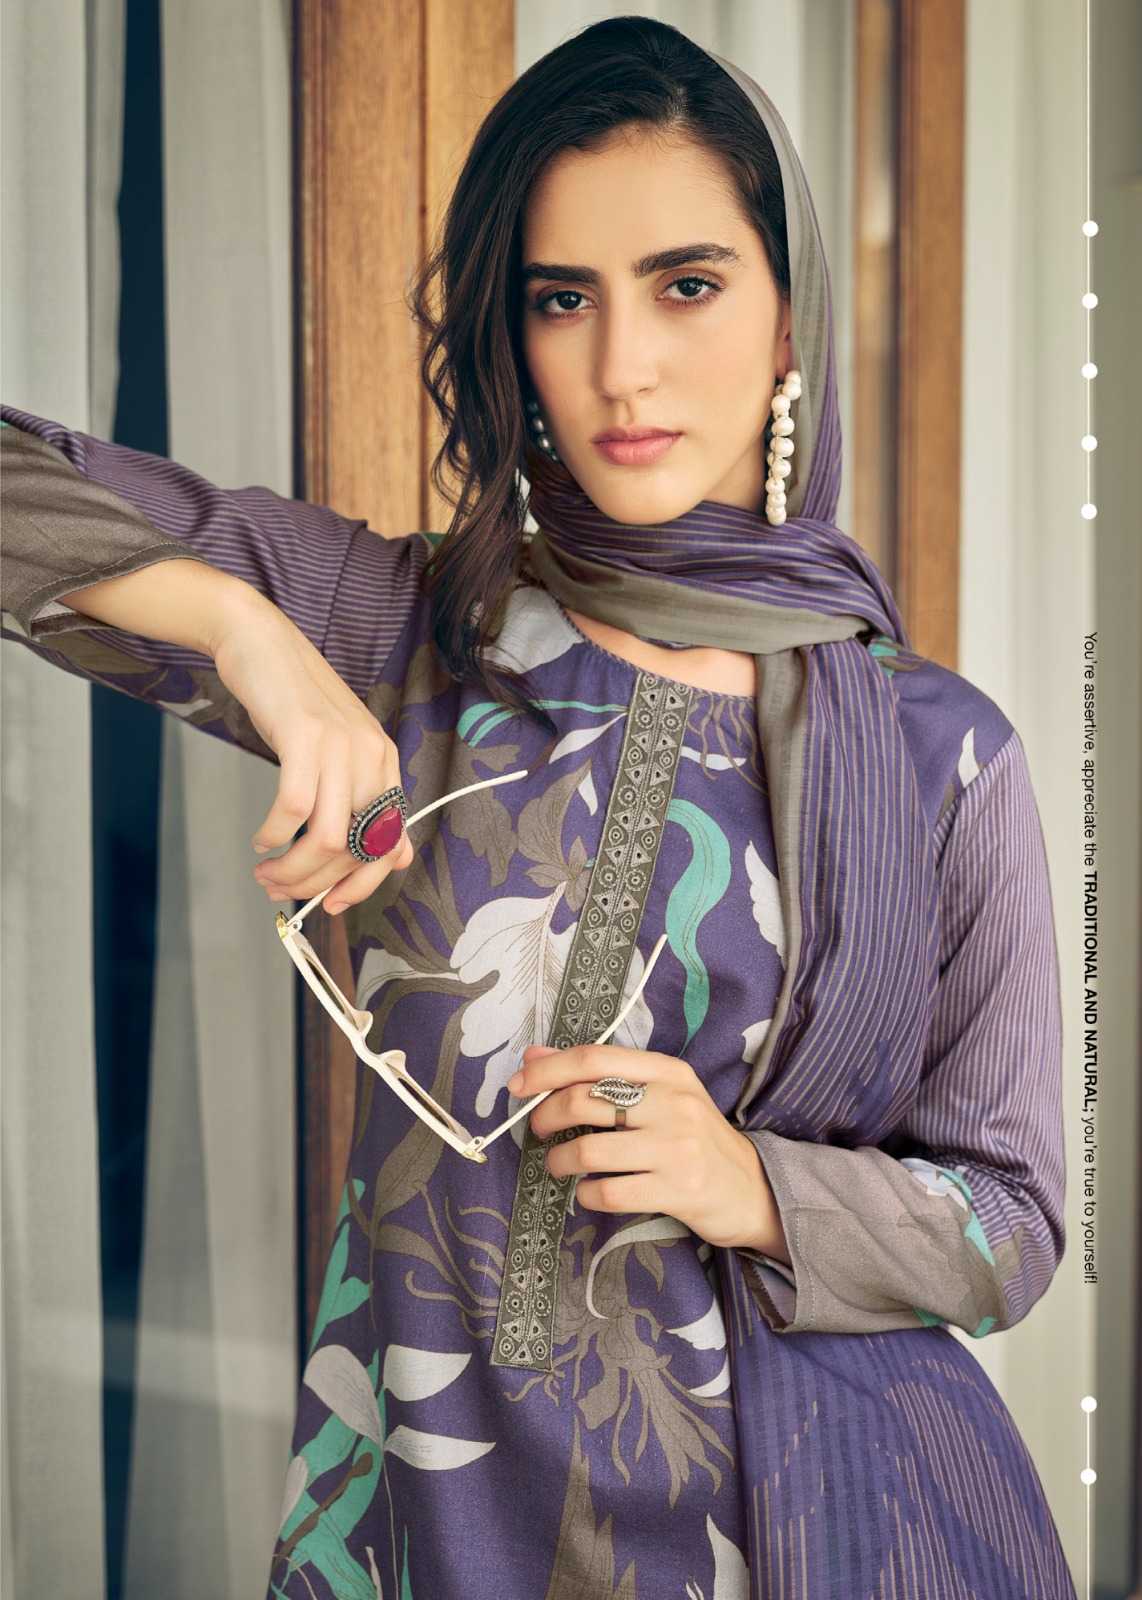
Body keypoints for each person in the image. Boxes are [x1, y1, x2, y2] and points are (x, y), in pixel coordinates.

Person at [0, 17, 1075, 1600]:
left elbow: (1013, 1225)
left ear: (789, 317)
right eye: (560, 298)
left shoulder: (940, 755)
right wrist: (252, 639)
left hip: (812, 1536)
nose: (620, 365)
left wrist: (750, 1182)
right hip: (429, 1524)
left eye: (685, 285)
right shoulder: (406, 636)